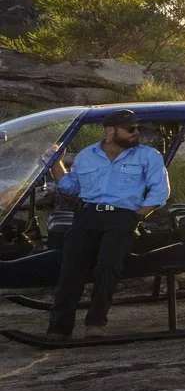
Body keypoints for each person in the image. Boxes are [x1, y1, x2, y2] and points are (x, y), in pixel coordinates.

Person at [48, 109, 169, 340]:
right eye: (131, 129)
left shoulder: (148, 156)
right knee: (70, 267)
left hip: (123, 217)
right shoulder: (86, 155)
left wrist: (137, 216)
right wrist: (55, 163)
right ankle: (59, 328)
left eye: (138, 128)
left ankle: (95, 323)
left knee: (108, 266)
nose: (136, 133)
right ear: (111, 132)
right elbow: (71, 187)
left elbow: (160, 192)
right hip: (88, 215)